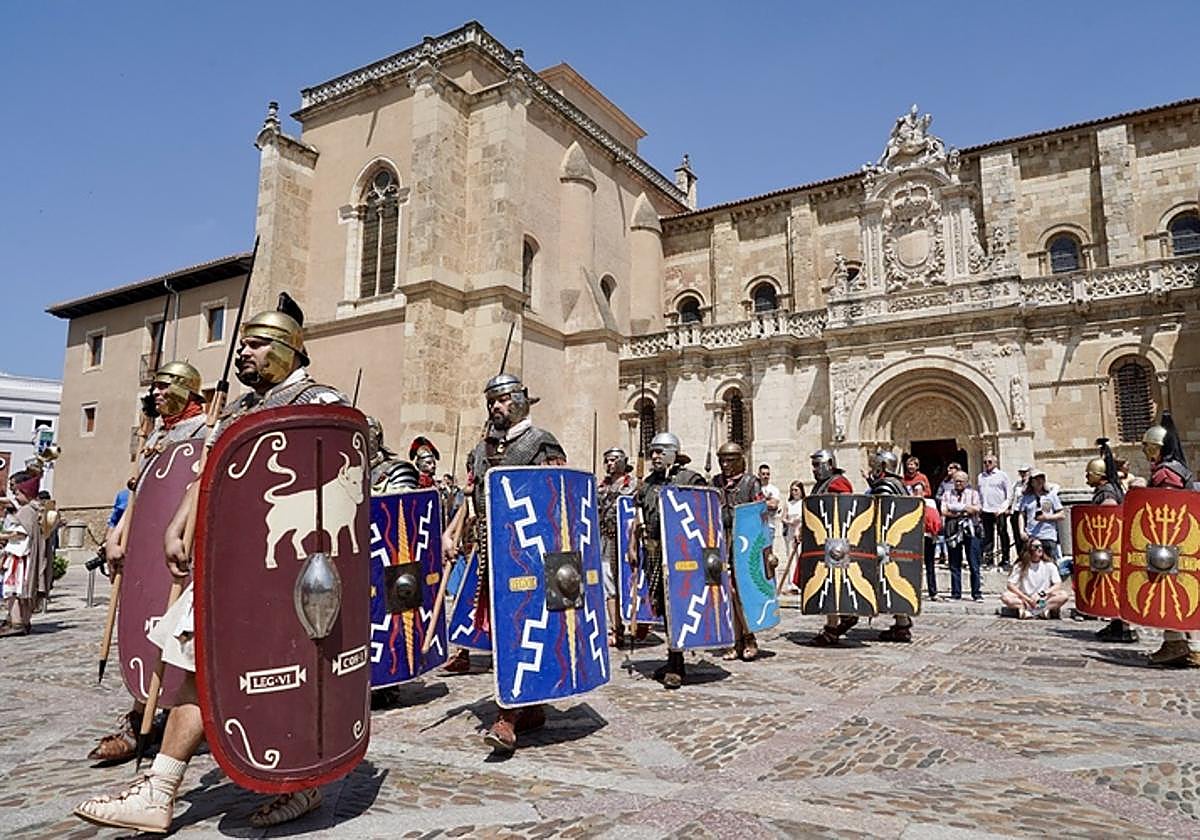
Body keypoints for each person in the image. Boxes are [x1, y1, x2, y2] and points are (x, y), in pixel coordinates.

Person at [75, 293, 347, 832]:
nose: (241, 351)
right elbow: (207, 473)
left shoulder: (323, 404)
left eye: (255, 343)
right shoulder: (242, 412)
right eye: (241, 342)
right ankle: (160, 789)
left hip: (291, 575)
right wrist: (180, 522)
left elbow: (338, 482)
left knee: (294, 675)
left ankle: (305, 781)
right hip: (227, 570)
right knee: (194, 666)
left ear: (290, 349)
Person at [86, 361, 208, 764]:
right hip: (148, 551)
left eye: (165, 386)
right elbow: (137, 496)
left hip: (190, 550)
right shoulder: (155, 434)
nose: (156, 393)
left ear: (189, 390)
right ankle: (139, 714)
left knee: (184, 639)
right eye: (154, 387)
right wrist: (114, 536)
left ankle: (171, 719)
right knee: (145, 628)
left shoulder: (205, 432)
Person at [445, 372, 567, 751]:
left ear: (519, 400)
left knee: (520, 629)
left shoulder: (541, 443)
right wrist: (453, 532)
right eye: (491, 402)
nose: (495, 407)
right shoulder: (482, 450)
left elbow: (557, 498)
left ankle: (507, 714)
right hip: (489, 552)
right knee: (503, 632)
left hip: (527, 555)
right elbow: (472, 497)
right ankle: (528, 706)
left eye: (501, 399)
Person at [628, 432, 706, 688]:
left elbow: (702, 516)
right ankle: (673, 658)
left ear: (674, 453)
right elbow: (637, 519)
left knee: (678, 607)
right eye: (653, 452)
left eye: (661, 451)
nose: (655, 456)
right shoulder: (648, 484)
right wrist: (632, 546)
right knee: (662, 606)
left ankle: (677, 664)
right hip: (653, 553)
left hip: (680, 556)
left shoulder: (690, 480)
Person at [1141, 412, 1200, 667]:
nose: (1146, 451)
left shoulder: (1166, 473)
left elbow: (1167, 509)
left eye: (1148, 447)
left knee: (1170, 591)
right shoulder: (1179, 468)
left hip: (1172, 542)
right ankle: (1182, 644)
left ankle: (1179, 644)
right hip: (1185, 541)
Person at [713, 443, 765, 660]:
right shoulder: (716, 482)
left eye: (730, 460)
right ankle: (734, 639)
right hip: (721, 541)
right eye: (722, 460)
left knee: (741, 594)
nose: (725, 465)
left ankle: (749, 636)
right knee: (727, 592)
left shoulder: (750, 482)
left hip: (744, 544)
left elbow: (759, 513)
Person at [1083, 439, 1137, 642]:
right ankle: (1117, 624)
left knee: (1114, 586)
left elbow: (1110, 515)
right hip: (1114, 548)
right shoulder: (1113, 487)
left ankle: (1123, 628)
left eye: (1089, 473)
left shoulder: (1107, 492)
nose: (1087, 477)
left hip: (1112, 548)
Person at [806, 450, 860, 646]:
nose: (814, 470)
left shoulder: (839, 482)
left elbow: (846, 510)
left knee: (832, 585)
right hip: (822, 543)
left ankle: (832, 628)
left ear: (828, 464)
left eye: (816, 465)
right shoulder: (821, 485)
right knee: (827, 584)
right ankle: (844, 616)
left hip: (836, 545)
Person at [866, 450, 915, 642]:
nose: (872, 470)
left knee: (885, 583)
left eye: (875, 466)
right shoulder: (899, 484)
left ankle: (847, 618)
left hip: (883, 544)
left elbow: (878, 514)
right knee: (895, 582)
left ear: (883, 467)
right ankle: (902, 623)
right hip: (898, 542)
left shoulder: (885, 486)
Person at [0, 471, 48, 636]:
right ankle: (24, 621)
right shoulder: (38, 509)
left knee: (13, 590)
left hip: (19, 558)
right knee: (23, 592)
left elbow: (20, 533)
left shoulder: (27, 510)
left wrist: (3, 536)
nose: (15, 495)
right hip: (26, 558)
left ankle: (17, 623)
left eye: (18, 492)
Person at [598, 446, 637, 647]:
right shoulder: (601, 488)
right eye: (607, 460)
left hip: (626, 542)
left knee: (628, 582)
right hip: (606, 540)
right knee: (608, 585)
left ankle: (634, 623)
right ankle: (616, 628)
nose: (610, 464)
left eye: (613, 459)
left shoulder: (633, 486)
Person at [999, 540, 1069, 618]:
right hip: (1026, 600)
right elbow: (1010, 585)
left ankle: (1040, 610)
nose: (1040, 549)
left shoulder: (1049, 565)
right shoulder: (1020, 566)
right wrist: (1026, 599)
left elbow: (1057, 584)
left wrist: (1042, 594)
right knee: (1005, 596)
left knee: (1063, 595)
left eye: (1041, 546)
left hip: (1042, 600)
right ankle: (1027, 609)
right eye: (1036, 547)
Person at [941, 471, 983, 601]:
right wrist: (964, 510)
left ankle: (976, 593)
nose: (958, 483)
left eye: (961, 481)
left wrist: (956, 508)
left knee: (974, 563)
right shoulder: (947, 494)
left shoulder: (973, 493)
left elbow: (976, 509)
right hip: (953, 529)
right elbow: (944, 511)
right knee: (954, 562)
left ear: (967, 481)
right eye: (956, 481)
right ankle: (956, 593)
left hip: (970, 530)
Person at [1019, 469, 1064, 574]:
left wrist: (1047, 517)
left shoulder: (1051, 496)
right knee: (1031, 565)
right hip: (1032, 536)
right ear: (1031, 481)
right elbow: (1021, 515)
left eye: (1041, 478)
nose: (1039, 481)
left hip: (1048, 536)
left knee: (1050, 565)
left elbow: (1062, 514)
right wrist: (1021, 531)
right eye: (1036, 479)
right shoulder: (1026, 498)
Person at [976, 453, 1012, 569]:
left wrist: (1003, 509)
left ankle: (1005, 559)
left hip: (999, 510)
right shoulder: (981, 476)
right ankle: (988, 559)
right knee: (987, 536)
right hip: (985, 510)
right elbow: (980, 493)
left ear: (995, 463)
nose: (987, 464)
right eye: (985, 462)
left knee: (1002, 534)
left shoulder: (1002, 476)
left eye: (990, 462)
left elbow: (1009, 494)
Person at [780, 480, 806, 594]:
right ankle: (791, 584)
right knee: (790, 555)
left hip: (800, 531)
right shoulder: (789, 503)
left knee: (800, 555)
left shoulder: (804, 503)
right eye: (792, 490)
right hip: (791, 531)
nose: (794, 492)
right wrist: (789, 521)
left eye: (796, 490)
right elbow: (783, 517)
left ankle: (800, 583)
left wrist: (799, 521)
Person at [757, 463, 783, 564]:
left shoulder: (774, 489)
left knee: (768, 555)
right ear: (759, 474)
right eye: (763, 474)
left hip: (769, 525)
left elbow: (773, 505)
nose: (765, 476)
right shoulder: (755, 488)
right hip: (756, 526)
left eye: (768, 474)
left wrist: (759, 503)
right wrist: (766, 501)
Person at [1005, 465, 1031, 564]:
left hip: (1027, 513)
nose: (1023, 474)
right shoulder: (1017, 484)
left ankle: (1028, 557)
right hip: (1016, 512)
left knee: (1027, 536)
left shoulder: (1032, 484)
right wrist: (1008, 508)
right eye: (1021, 472)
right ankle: (1021, 557)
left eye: (1025, 472)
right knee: (1017, 536)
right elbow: (1011, 497)